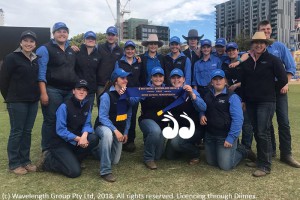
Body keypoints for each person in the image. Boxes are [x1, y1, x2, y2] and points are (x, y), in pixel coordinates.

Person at [240, 32, 288, 177]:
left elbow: (283, 78)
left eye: (262, 42)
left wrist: (270, 90)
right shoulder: (247, 62)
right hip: (251, 102)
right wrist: (243, 99)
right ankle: (261, 159)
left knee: (263, 131)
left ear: (266, 44)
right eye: (256, 42)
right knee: (257, 131)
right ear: (252, 45)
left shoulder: (273, 60)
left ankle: (265, 165)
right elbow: (244, 83)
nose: (259, 45)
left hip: (266, 102)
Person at [257, 20, 300, 167]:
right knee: (267, 123)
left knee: (284, 121)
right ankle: (270, 151)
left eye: (268, 29)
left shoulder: (279, 47)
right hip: (264, 90)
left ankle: (286, 154)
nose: (266, 31)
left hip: (279, 87)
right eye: (263, 29)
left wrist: (286, 83)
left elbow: (291, 67)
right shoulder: (256, 48)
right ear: (258, 31)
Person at [36, 79, 99, 178]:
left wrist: (84, 135)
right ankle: (48, 161)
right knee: (74, 172)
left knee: (93, 138)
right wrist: (79, 139)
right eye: (79, 89)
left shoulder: (87, 105)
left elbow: (87, 124)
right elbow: (60, 130)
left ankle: (74, 160)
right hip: (60, 143)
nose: (81, 92)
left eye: (84, 90)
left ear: (87, 93)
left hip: (75, 141)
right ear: (73, 91)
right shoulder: (64, 106)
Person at [0, 30, 40, 175]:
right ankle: (14, 163)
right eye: (26, 40)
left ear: (35, 44)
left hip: (33, 101)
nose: (28, 44)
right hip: (17, 101)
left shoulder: (36, 59)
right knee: (17, 132)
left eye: (31, 41)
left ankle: (25, 161)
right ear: (20, 42)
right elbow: (3, 81)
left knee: (27, 132)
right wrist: (10, 97)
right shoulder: (12, 58)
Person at [36, 22, 78, 151]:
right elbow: (41, 73)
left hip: (70, 91)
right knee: (51, 120)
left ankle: (64, 149)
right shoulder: (45, 48)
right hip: (52, 90)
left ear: (68, 34)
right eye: (59, 31)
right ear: (53, 34)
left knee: (66, 120)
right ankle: (47, 150)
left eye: (64, 31)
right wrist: (43, 93)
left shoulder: (72, 49)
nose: (62, 34)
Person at [200, 69, 248, 171]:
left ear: (225, 81)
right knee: (211, 162)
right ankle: (226, 152)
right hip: (210, 135)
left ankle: (243, 151)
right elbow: (202, 107)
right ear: (211, 82)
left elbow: (238, 119)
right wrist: (202, 114)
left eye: (220, 79)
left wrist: (230, 137)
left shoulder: (232, 97)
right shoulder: (208, 95)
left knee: (225, 166)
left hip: (225, 136)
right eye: (215, 79)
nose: (218, 81)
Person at [95, 68, 133, 182]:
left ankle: (94, 150)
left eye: (126, 78)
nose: (125, 80)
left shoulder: (127, 95)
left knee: (114, 160)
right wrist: (115, 131)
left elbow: (129, 115)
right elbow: (102, 117)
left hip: (118, 130)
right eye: (122, 78)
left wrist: (125, 132)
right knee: (108, 135)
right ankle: (105, 171)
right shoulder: (106, 96)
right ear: (115, 81)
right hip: (103, 127)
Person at [165, 69, 206, 165]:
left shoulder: (191, 91)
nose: (176, 80)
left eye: (178, 77)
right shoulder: (168, 93)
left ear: (183, 79)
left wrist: (192, 94)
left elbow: (203, 107)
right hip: (177, 129)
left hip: (193, 128)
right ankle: (185, 145)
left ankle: (195, 153)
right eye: (173, 78)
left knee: (176, 143)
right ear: (170, 80)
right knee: (170, 156)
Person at [221, 42, 254, 156]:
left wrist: (236, 85)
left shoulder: (244, 61)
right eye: (229, 50)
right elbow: (225, 79)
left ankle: (247, 149)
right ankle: (238, 146)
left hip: (244, 96)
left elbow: (249, 80)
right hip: (231, 97)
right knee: (233, 121)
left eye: (233, 50)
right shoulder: (225, 64)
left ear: (238, 51)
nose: (231, 52)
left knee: (246, 124)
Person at [138, 67, 172, 169]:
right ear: (151, 77)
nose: (158, 79)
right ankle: (148, 158)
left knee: (158, 155)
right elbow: (134, 100)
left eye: (160, 76)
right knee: (155, 131)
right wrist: (127, 94)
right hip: (147, 120)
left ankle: (148, 140)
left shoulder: (168, 89)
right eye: (155, 76)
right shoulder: (145, 89)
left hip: (162, 123)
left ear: (163, 77)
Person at [114, 40, 143, 152]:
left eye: (132, 49)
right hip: (122, 91)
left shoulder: (139, 62)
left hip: (135, 92)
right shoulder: (119, 62)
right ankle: (119, 138)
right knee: (121, 114)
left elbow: (141, 77)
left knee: (132, 115)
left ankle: (130, 140)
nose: (130, 51)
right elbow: (116, 76)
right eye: (128, 49)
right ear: (124, 50)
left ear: (135, 50)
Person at [75, 31, 101, 109]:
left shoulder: (98, 56)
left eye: (92, 38)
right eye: (88, 38)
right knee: (76, 111)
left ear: (95, 41)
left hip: (91, 90)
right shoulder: (77, 53)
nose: (90, 40)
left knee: (88, 111)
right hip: (78, 88)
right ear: (84, 40)